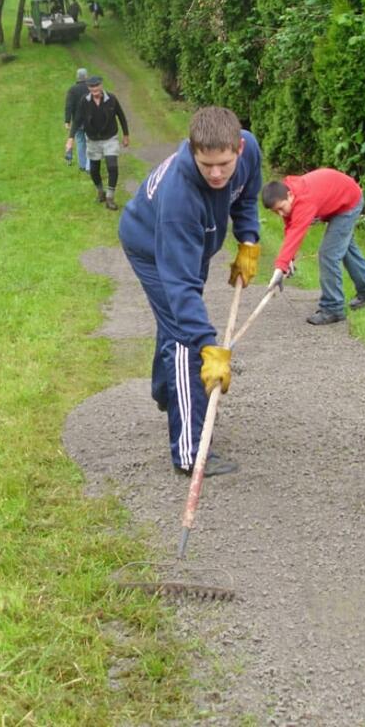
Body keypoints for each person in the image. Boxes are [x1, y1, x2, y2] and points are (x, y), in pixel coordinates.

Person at [117, 106, 263, 476]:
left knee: (177, 325)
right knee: (184, 336)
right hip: (151, 246)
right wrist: (209, 346)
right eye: (206, 165)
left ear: (238, 150)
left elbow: (245, 198)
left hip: (195, 242)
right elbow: (180, 287)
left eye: (224, 165)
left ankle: (168, 391)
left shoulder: (249, 150)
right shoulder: (179, 198)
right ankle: (190, 451)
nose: (216, 174)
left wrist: (248, 239)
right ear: (192, 151)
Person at [261, 169, 365, 326]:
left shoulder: (304, 200)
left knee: (328, 254)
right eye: (275, 211)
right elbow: (291, 228)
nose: (281, 214)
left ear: (290, 195)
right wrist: (288, 260)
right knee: (345, 249)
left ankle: (333, 308)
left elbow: (297, 232)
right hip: (337, 202)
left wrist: (279, 268)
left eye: (281, 208)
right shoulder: (289, 196)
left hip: (349, 202)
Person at [66, 75, 130, 210]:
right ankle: (100, 191)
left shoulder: (111, 99)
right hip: (93, 139)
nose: (95, 91)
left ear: (101, 86)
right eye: (92, 88)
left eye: (97, 88)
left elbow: (121, 116)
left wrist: (125, 135)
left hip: (110, 138)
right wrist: (70, 138)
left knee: (112, 166)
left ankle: (110, 198)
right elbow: (77, 120)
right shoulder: (84, 101)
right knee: (94, 170)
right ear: (88, 88)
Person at [63, 67, 89, 173]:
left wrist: (67, 121)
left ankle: (82, 165)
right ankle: (89, 166)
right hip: (89, 120)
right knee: (90, 142)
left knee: (80, 142)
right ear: (86, 76)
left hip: (77, 121)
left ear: (77, 77)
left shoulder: (72, 89)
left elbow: (68, 106)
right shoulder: (90, 88)